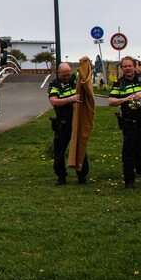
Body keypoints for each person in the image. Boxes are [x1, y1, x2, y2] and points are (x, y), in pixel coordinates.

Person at [108, 56, 141, 189]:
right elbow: (111, 101)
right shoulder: (119, 83)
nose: (127, 69)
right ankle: (129, 179)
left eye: (129, 66)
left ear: (134, 66)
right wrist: (125, 99)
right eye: (125, 66)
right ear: (122, 68)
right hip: (130, 123)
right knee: (129, 152)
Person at [48, 57, 92, 185]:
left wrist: (86, 61)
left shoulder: (75, 78)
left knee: (81, 147)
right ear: (58, 74)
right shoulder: (54, 84)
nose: (67, 77)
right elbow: (54, 101)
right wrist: (71, 99)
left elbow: (87, 72)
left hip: (77, 121)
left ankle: (82, 176)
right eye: (64, 75)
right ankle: (61, 177)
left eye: (68, 74)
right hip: (63, 123)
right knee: (59, 150)